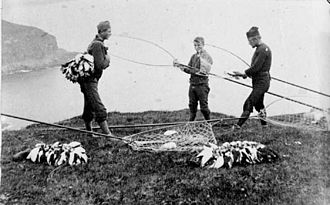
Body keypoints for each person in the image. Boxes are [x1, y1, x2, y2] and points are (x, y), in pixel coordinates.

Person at [232, 26, 272, 129]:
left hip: (262, 82)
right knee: (259, 104)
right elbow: (256, 69)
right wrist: (246, 74)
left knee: (249, 103)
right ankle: (265, 126)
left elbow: (256, 68)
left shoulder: (263, 49)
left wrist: (243, 74)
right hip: (259, 81)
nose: (249, 43)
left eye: (250, 41)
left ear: (255, 39)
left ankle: (237, 126)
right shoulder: (260, 49)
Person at [78, 20, 113, 136]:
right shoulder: (98, 44)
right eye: (108, 31)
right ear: (102, 31)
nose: (110, 33)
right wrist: (107, 60)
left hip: (88, 80)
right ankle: (108, 135)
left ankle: (89, 132)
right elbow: (100, 65)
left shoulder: (96, 43)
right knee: (99, 107)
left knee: (89, 106)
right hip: (90, 81)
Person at [174, 37, 213, 121]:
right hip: (193, 84)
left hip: (202, 85)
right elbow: (189, 69)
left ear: (203, 45)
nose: (197, 47)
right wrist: (179, 66)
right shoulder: (193, 57)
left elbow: (199, 70)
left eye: (199, 45)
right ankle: (191, 122)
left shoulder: (207, 57)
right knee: (192, 105)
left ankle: (208, 122)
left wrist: (184, 67)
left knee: (203, 107)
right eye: (195, 45)